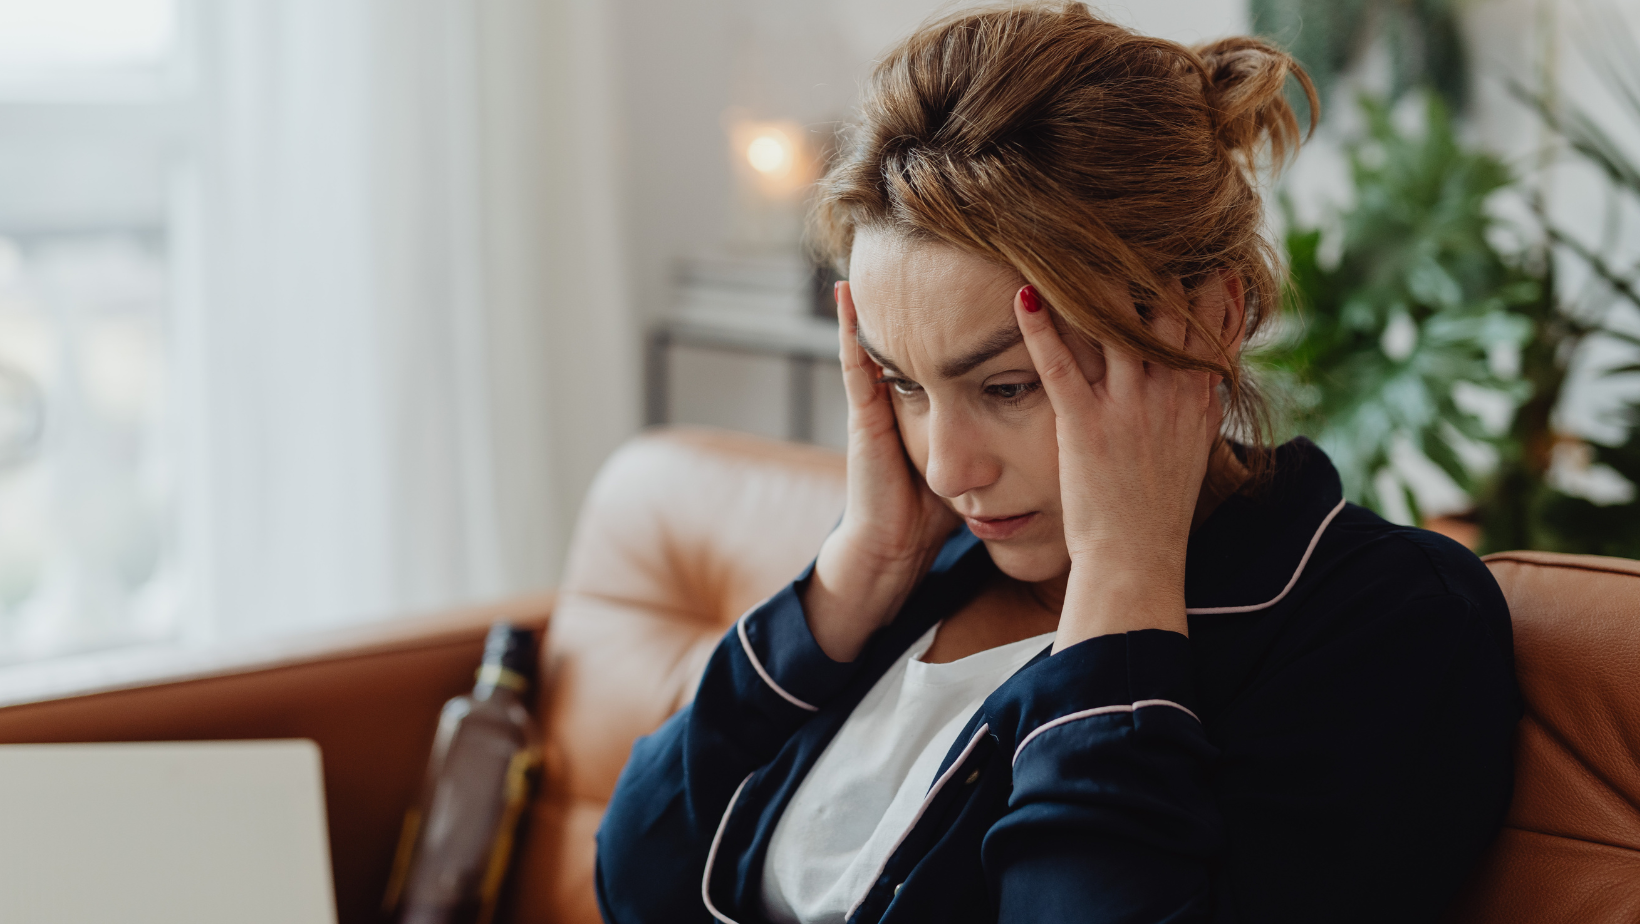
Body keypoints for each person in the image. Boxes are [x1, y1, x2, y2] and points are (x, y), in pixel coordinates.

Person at [594, 4, 1520, 923]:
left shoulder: (1383, 623)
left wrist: (1126, 579)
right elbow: (635, 877)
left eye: (1006, 387)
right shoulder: (928, 571)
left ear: (1211, 319)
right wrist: (855, 573)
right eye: (904, 385)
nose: (949, 469)